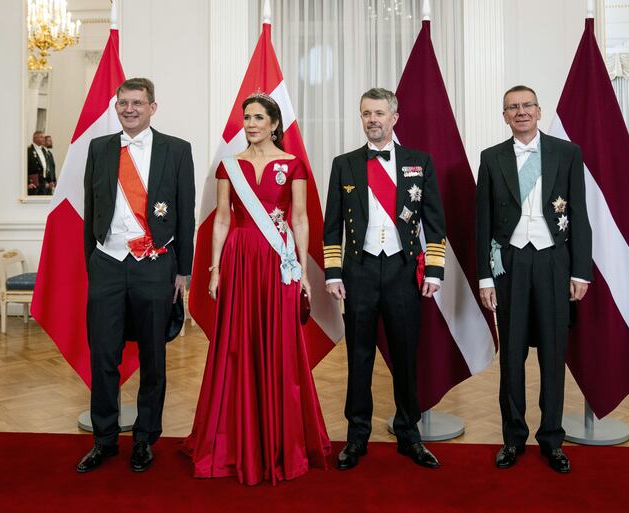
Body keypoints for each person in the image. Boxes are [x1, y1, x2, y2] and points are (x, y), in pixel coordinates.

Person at [182, 92, 330, 486]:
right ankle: (233, 440)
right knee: (236, 345)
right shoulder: (229, 166)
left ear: (275, 124)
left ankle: (281, 441)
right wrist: (214, 270)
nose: (250, 124)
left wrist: (301, 269)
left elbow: (300, 219)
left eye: (258, 117)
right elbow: (221, 221)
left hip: (279, 262)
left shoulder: (293, 165)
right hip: (241, 260)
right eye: (246, 117)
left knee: (280, 345)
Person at [323, 87, 447, 470]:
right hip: (358, 272)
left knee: (406, 356)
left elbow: (434, 222)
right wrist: (332, 272)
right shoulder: (344, 163)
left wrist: (436, 270)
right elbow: (332, 227)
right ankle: (357, 436)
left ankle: (409, 434)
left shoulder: (419, 162)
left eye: (379, 113)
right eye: (366, 113)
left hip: (403, 271)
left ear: (394, 117)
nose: (372, 119)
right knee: (358, 357)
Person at [77, 78, 195, 473]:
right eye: (123, 102)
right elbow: (91, 207)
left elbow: (186, 214)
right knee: (104, 354)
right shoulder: (100, 148)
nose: (129, 109)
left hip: (155, 265)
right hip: (107, 262)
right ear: (117, 105)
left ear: (152, 107)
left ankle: (145, 439)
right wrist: (91, 261)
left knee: (153, 356)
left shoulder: (177, 150)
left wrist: (183, 270)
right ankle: (105, 439)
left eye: (138, 103)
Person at [476, 85, 592, 474]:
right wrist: (484, 278)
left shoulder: (567, 152)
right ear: (504, 116)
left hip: (554, 263)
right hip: (509, 264)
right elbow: (483, 224)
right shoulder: (491, 158)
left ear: (539, 111)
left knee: (553, 355)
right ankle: (513, 439)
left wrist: (580, 271)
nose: (521, 112)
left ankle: (552, 440)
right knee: (511, 355)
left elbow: (580, 215)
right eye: (513, 108)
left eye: (527, 106)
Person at [27, 131, 55, 195]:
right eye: (41, 137)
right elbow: (25, 168)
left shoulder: (44, 151)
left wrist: (50, 181)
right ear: (35, 138)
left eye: (44, 137)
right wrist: (28, 183)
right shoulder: (29, 150)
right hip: (34, 183)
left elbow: (47, 167)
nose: (44, 139)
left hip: (44, 183)